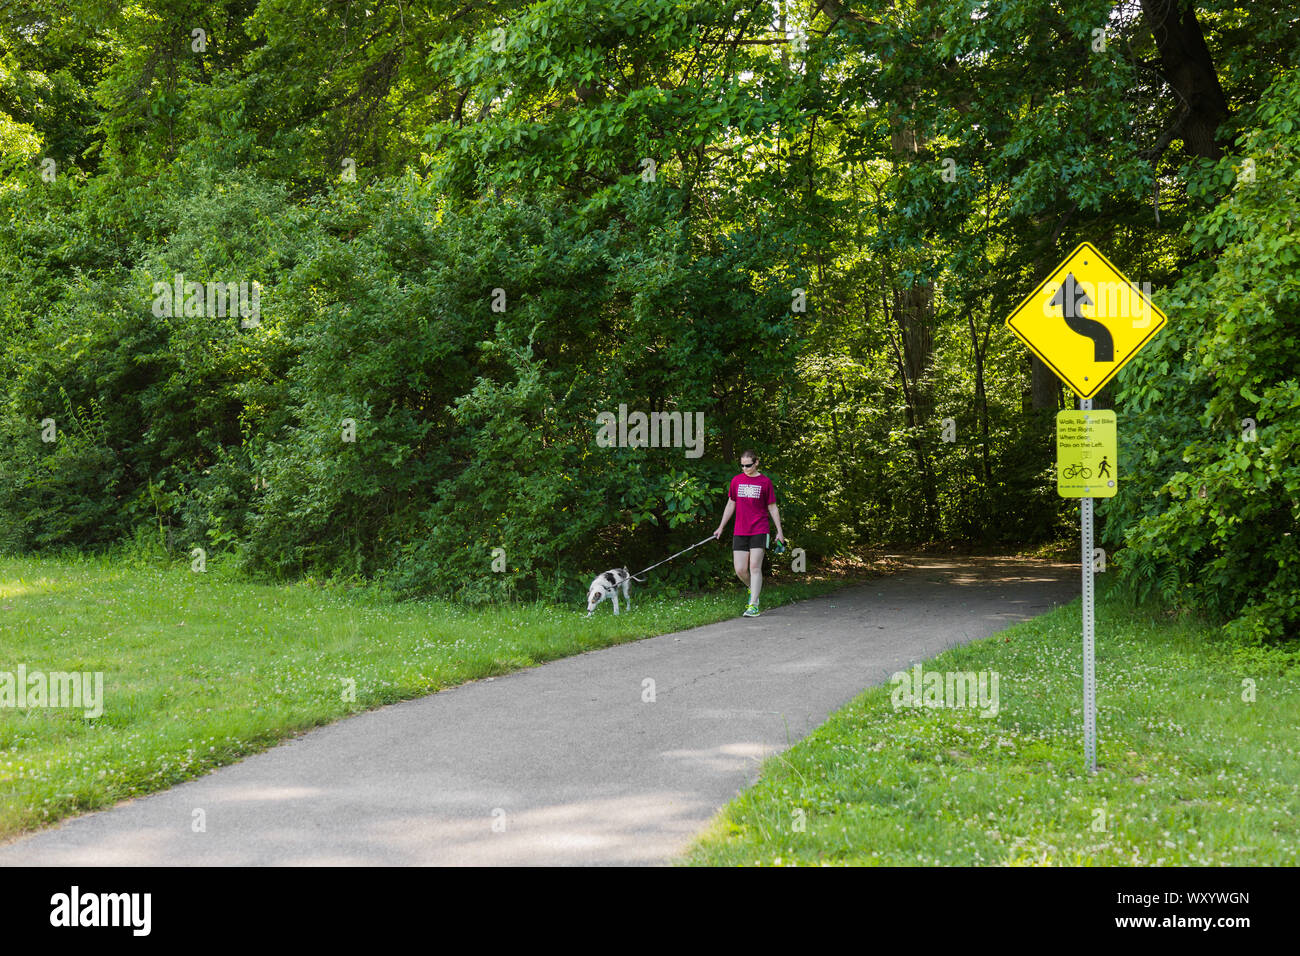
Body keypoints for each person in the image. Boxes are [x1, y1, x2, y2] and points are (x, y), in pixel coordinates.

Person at [713, 450, 785, 617]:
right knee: (739, 570)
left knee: (754, 567)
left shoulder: (765, 482)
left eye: (748, 465)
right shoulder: (736, 481)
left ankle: (753, 605)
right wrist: (721, 527)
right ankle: (754, 591)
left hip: (760, 529)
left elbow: (772, 508)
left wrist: (779, 532)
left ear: (756, 462)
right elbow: (731, 504)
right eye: (742, 465)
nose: (745, 468)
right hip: (740, 530)